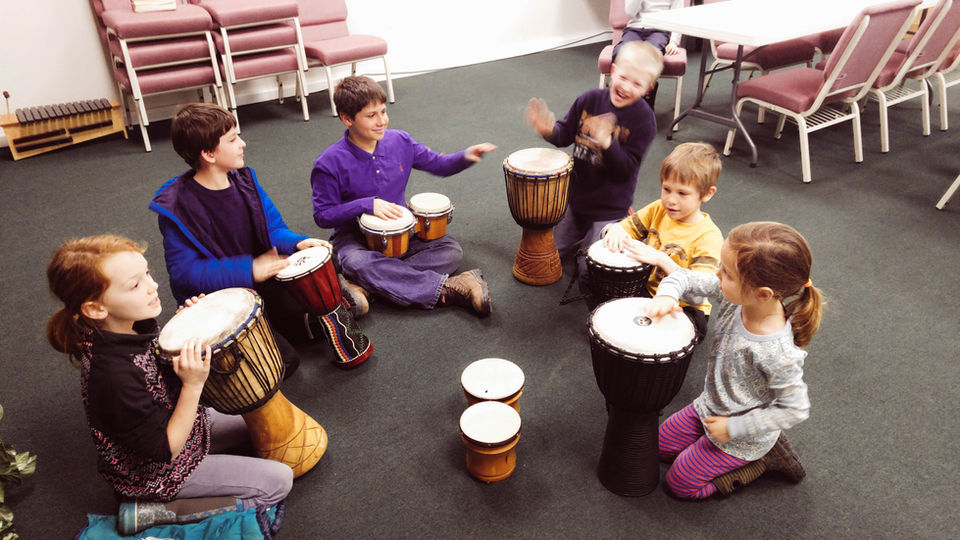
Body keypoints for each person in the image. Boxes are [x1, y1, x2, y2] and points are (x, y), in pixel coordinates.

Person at [45, 235, 292, 535]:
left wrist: (188, 324)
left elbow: (159, 370)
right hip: (159, 472)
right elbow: (165, 449)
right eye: (135, 285)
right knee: (279, 481)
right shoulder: (112, 377)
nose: (153, 286)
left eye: (147, 273)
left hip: (185, 424)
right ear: (96, 309)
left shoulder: (132, 323)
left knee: (260, 418)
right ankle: (158, 511)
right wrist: (192, 385)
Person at [150, 103, 371, 369]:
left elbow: (273, 229)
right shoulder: (177, 208)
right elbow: (186, 273)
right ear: (208, 154)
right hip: (221, 299)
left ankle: (310, 314)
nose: (242, 144)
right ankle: (315, 314)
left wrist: (297, 242)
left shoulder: (245, 181)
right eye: (232, 139)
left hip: (261, 280)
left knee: (325, 261)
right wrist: (251, 269)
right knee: (286, 362)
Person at [645, 221, 823, 499]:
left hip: (741, 437)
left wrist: (734, 428)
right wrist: (668, 294)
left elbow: (795, 409)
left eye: (727, 272)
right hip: (709, 406)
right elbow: (685, 278)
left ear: (762, 294)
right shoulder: (739, 296)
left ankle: (763, 461)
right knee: (658, 447)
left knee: (679, 485)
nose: (717, 274)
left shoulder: (778, 353)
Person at [311, 76, 498, 316]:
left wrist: (465, 156)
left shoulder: (400, 140)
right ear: (347, 119)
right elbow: (323, 215)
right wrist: (366, 205)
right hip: (355, 239)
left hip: (401, 232)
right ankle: (450, 288)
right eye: (371, 115)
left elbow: (438, 164)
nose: (382, 121)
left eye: (383, 111)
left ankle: (368, 286)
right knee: (356, 263)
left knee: (451, 250)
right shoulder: (328, 163)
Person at [525, 41, 662, 291]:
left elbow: (626, 169)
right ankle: (584, 234)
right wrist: (548, 130)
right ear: (613, 70)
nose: (626, 87)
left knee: (589, 269)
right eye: (623, 77)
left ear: (648, 89)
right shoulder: (589, 99)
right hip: (575, 200)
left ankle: (620, 227)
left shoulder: (644, 120)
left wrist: (608, 144)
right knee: (547, 254)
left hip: (610, 209)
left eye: (636, 83)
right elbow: (564, 133)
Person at [601, 141, 722, 335]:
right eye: (667, 189)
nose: (671, 200)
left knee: (652, 338)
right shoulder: (659, 208)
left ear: (707, 193)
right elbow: (627, 228)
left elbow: (698, 296)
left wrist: (662, 260)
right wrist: (616, 229)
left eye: (682, 193)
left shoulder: (709, 238)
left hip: (686, 307)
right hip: (648, 291)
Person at [613, 0, 685, 108]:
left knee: (650, 56)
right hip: (634, 28)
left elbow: (678, 15)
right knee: (620, 52)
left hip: (658, 30)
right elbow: (630, 12)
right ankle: (622, 91)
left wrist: (674, 42)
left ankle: (644, 96)